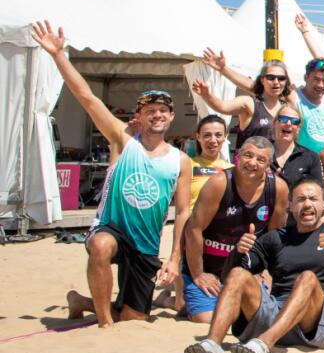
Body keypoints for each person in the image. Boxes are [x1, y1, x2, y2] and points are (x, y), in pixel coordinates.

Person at [37, 23, 193, 327]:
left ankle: (82, 301)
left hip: (146, 244)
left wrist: (174, 258)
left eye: (163, 110)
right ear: (140, 115)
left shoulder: (180, 161)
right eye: (151, 111)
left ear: (172, 116)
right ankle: (104, 324)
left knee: (133, 318)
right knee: (100, 246)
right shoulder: (122, 141)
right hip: (112, 228)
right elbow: (88, 99)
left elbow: (184, 211)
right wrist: (58, 56)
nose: (157, 115)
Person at [183, 177, 324, 353]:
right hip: (275, 313)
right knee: (238, 273)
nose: (307, 204)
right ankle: (212, 343)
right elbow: (229, 278)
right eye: (300, 199)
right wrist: (238, 252)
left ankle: (264, 344)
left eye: (313, 199)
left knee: (308, 278)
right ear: (290, 205)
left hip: (315, 323)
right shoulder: (276, 238)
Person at [182, 136, 289, 323]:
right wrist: (199, 274)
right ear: (237, 155)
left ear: (269, 164)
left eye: (260, 159)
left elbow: (275, 236)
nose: (252, 163)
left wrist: (266, 272)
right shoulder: (219, 182)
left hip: (246, 272)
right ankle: (180, 299)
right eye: (248, 155)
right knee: (207, 319)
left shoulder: (278, 188)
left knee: (253, 316)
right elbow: (194, 228)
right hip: (210, 268)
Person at [189, 59, 290, 150]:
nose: (276, 82)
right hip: (249, 168)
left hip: (276, 168)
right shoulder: (249, 103)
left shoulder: (288, 108)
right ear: (262, 80)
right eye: (271, 77)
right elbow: (222, 107)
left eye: (281, 78)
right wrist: (206, 95)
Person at [269, 103, 323, 191]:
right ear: (275, 123)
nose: (288, 123)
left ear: (298, 128)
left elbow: (318, 192)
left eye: (295, 121)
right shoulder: (262, 152)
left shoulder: (311, 157)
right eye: (283, 119)